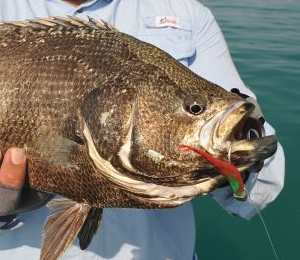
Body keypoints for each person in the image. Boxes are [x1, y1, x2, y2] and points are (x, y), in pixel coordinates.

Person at [0, 0, 285, 259]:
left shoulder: (187, 13)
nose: (197, 110)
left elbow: (266, 181)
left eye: (194, 108)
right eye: (194, 107)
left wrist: (239, 158)